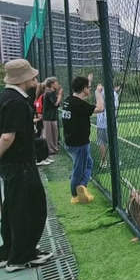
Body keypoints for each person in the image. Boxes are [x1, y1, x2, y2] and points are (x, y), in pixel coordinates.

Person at [0, 59, 53, 273]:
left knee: (13, 209)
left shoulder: (3, 98)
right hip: (20, 164)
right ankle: (22, 255)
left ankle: (8, 252)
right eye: (31, 75)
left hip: (12, 163)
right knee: (30, 209)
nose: (35, 78)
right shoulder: (15, 101)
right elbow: (7, 136)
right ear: (23, 78)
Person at [62, 73, 105, 204]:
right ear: (84, 89)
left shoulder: (69, 100)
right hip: (79, 143)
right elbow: (100, 108)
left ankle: (82, 187)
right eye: (89, 87)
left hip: (70, 141)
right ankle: (75, 195)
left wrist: (88, 81)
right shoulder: (79, 105)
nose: (90, 89)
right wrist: (98, 93)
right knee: (78, 170)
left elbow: (82, 96)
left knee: (89, 163)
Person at [97, 84, 120, 169]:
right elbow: (115, 107)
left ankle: (104, 161)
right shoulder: (113, 94)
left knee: (101, 142)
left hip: (100, 121)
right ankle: (113, 161)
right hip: (110, 121)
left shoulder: (98, 92)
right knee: (112, 142)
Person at [42, 78, 63, 155]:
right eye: (56, 82)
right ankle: (50, 150)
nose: (57, 84)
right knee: (49, 134)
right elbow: (55, 103)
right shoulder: (48, 93)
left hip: (52, 117)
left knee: (54, 132)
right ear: (52, 84)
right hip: (48, 117)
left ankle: (54, 148)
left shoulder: (52, 93)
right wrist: (60, 95)